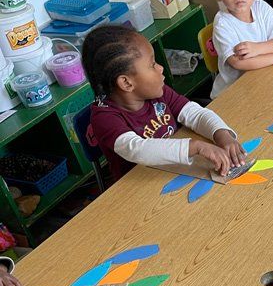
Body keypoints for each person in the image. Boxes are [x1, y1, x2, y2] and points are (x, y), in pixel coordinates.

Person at [84, 25, 246, 182]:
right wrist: (197, 147)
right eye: (152, 65)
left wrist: (222, 134)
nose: (161, 68)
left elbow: (194, 113)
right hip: (141, 187)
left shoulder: (156, 92)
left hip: (177, 171)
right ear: (126, 83)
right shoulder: (104, 117)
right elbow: (136, 149)